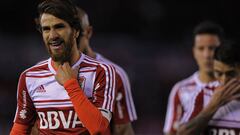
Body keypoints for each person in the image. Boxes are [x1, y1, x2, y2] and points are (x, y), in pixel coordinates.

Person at [10, 0, 116, 134]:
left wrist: (70, 85)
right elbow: (20, 130)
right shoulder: (30, 77)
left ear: (76, 31)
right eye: (46, 29)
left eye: (59, 27)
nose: (53, 35)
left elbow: (99, 129)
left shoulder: (101, 71)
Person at [77, 7, 137, 135]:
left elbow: (123, 130)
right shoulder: (37, 74)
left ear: (88, 32)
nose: (72, 40)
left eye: (77, 34)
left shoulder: (114, 73)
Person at [163, 21, 224, 135]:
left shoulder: (232, 88)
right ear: (194, 52)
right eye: (201, 48)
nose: (207, 55)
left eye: (212, 48)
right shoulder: (181, 90)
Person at [177, 41, 240, 134]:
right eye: (218, 73)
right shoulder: (203, 94)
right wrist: (213, 105)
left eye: (231, 74)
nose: (224, 81)